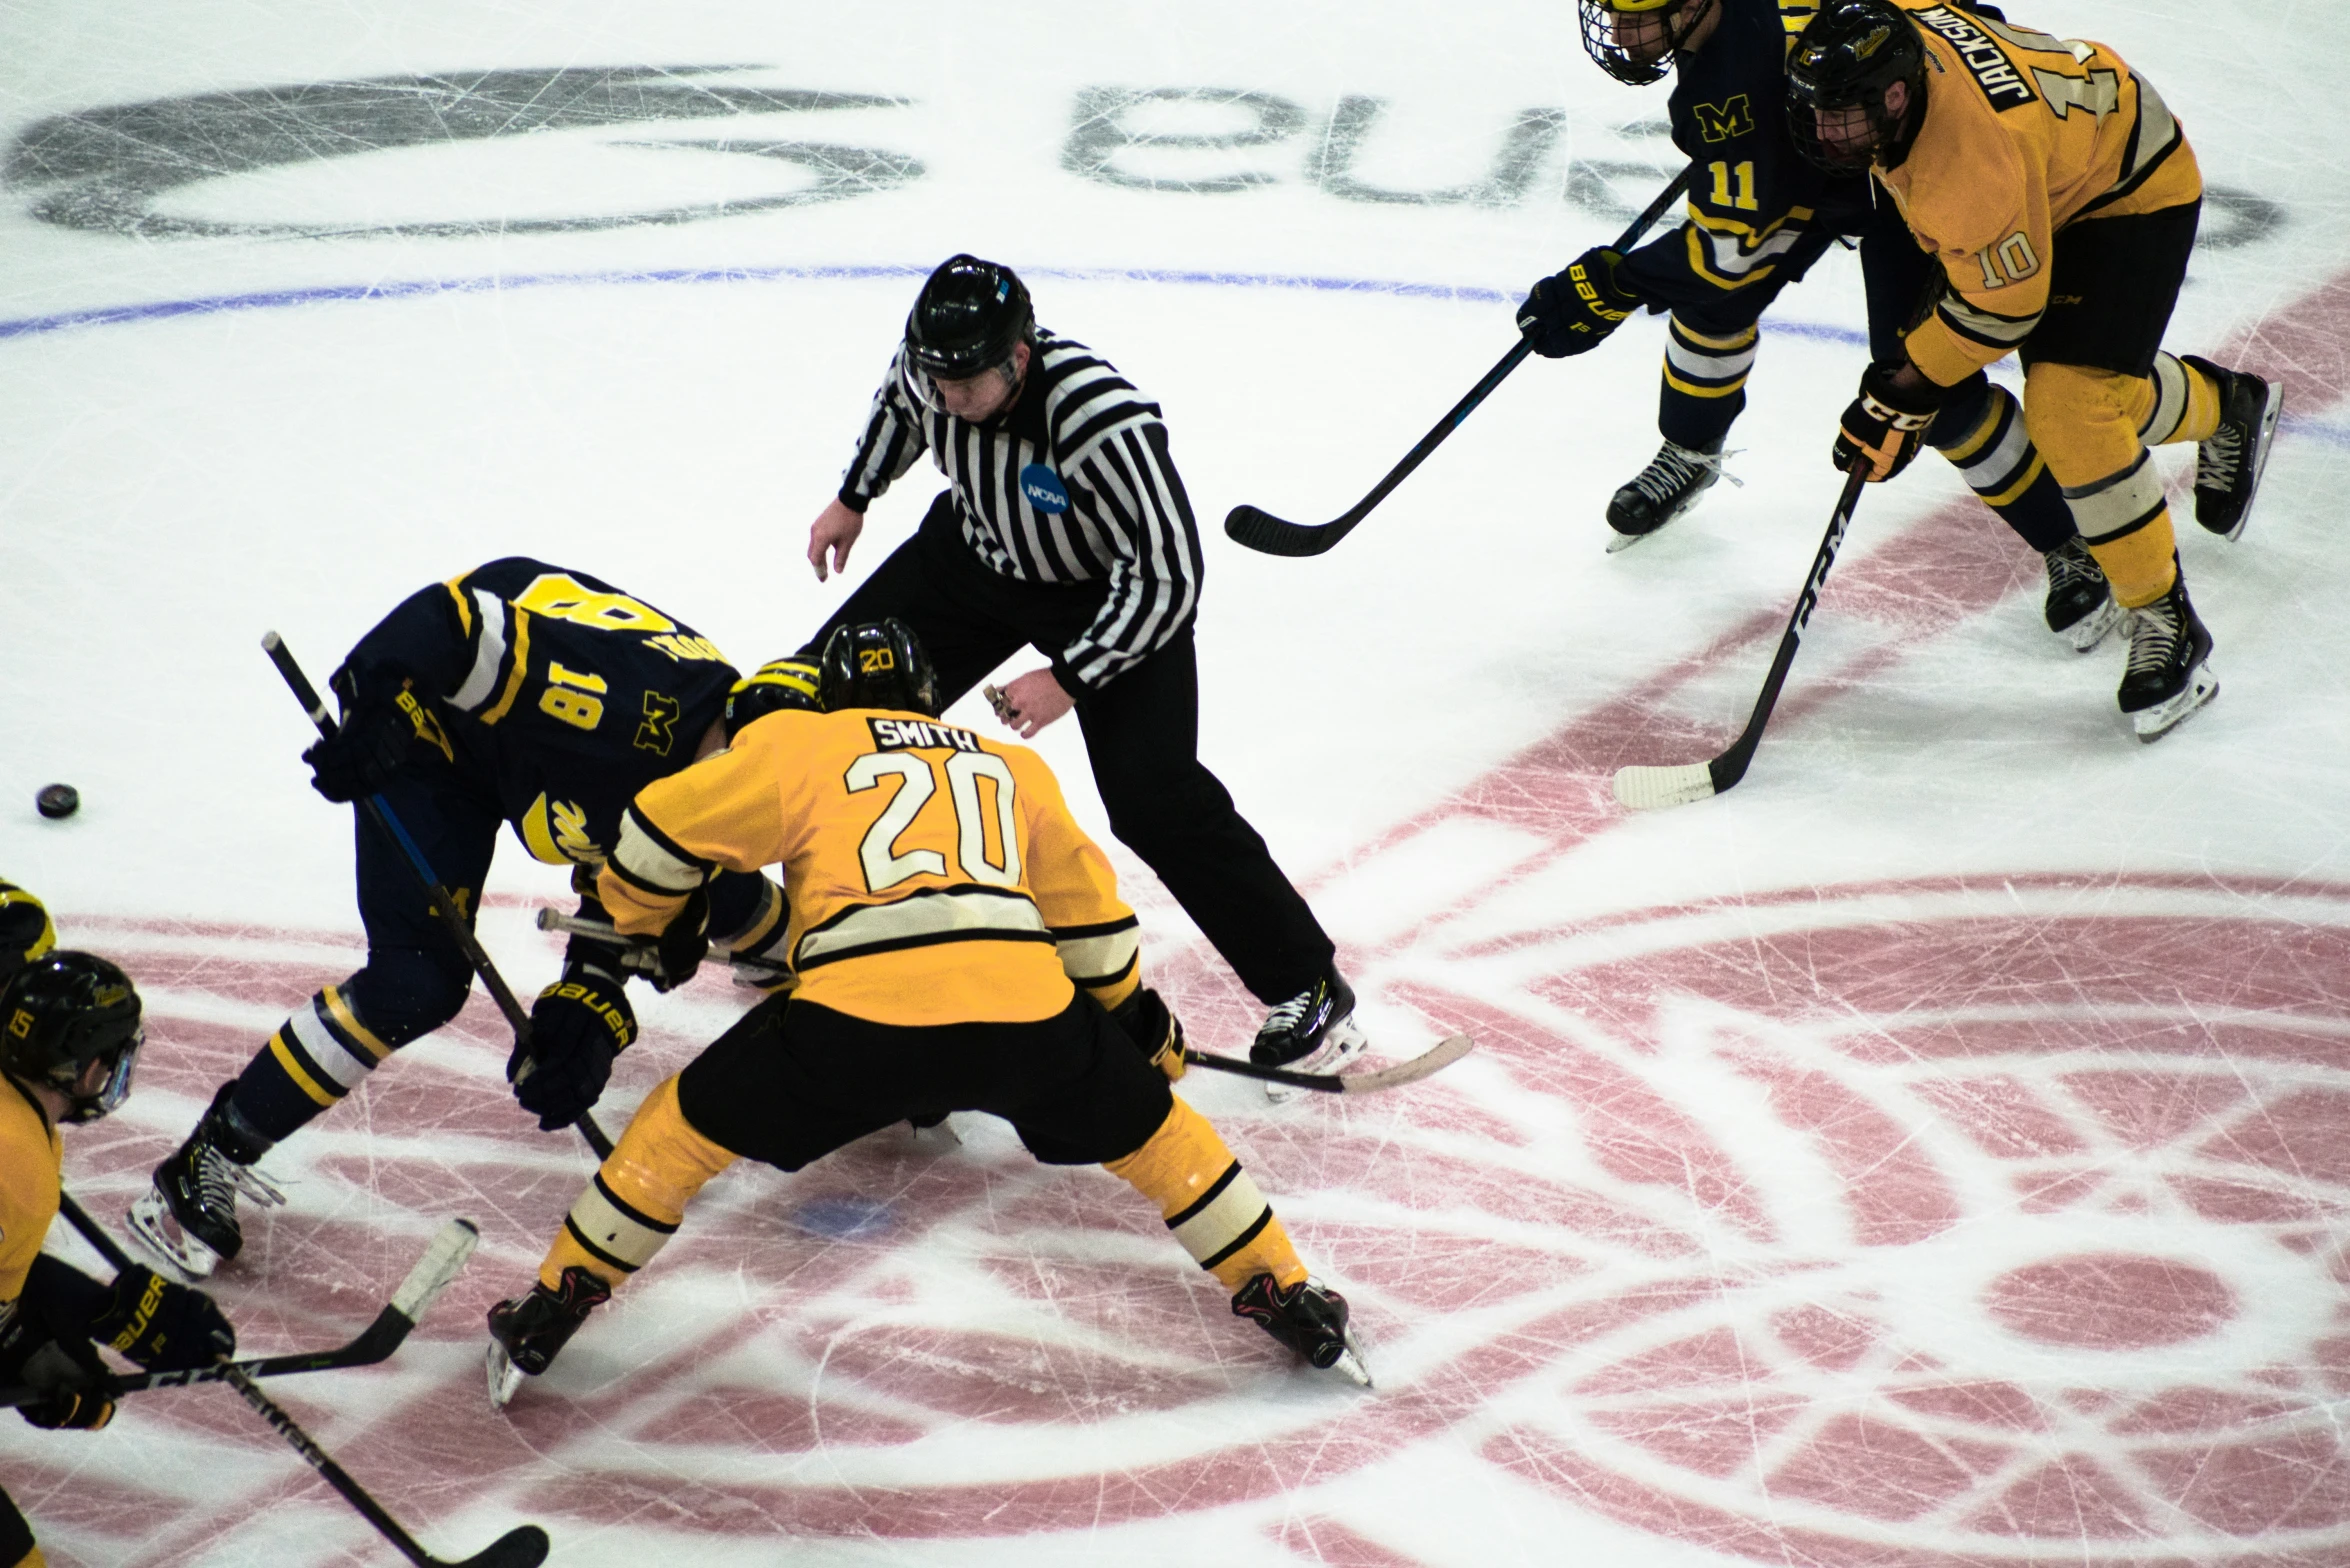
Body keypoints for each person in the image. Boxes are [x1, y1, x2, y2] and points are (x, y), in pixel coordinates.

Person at [483, 622, 1368, 1400]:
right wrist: (1132, 1026)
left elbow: (654, 827)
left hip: (851, 1030)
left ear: (836, 697)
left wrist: (644, 922)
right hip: (1028, 1019)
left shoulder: (802, 744)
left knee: (677, 1134)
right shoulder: (1009, 765)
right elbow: (1094, 926)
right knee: (1167, 1142)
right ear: (928, 696)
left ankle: (561, 1299)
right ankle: (1284, 1292)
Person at [130, 559, 814, 1278]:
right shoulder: (619, 705)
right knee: (417, 980)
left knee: (715, 888)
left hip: (545, 759)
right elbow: (445, 623)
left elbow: (631, 886)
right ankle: (212, 1152)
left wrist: (589, 1003)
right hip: (437, 732)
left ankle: (807, 964)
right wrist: (381, 710)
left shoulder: (728, 766)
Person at [801, 255, 1363, 1100]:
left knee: (1155, 799)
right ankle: (814, 930)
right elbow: (900, 405)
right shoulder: (936, 365)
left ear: (1018, 358)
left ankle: (1308, 988)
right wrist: (855, 495)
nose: (946, 397)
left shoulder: (1102, 422)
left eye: (966, 384)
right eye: (937, 377)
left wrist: (1070, 678)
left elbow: (1170, 575)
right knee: (832, 709)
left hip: (1105, 596)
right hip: (973, 557)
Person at [1519, 0, 2132, 654]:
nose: (1618, 33)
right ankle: (1692, 452)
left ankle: (2068, 538)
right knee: (1715, 305)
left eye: (1638, 16)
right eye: (1612, 11)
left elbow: (1727, 251)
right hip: (1820, 150)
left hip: (1899, 172)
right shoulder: (1722, 65)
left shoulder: (1730, 81)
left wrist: (1614, 285)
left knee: (1926, 387)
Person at [1788, 0, 2279, 740]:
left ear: (1895, 94)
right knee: (2099, 399)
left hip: (2125, 190)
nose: (1825, 133)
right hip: (2057, 155)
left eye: (1843, 115)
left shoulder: (1968, 167)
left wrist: (1901, 389)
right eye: (1817, 111)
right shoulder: (1898, 51)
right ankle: (2227, 405)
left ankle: (2165, 618)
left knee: (2072, 410)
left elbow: (2004, 309)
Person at [2, 919, 238, 1567]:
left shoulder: (21, 1129)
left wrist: (106, 1315)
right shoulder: (17, 1161)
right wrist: (30, 1354)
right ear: (84, 1062)